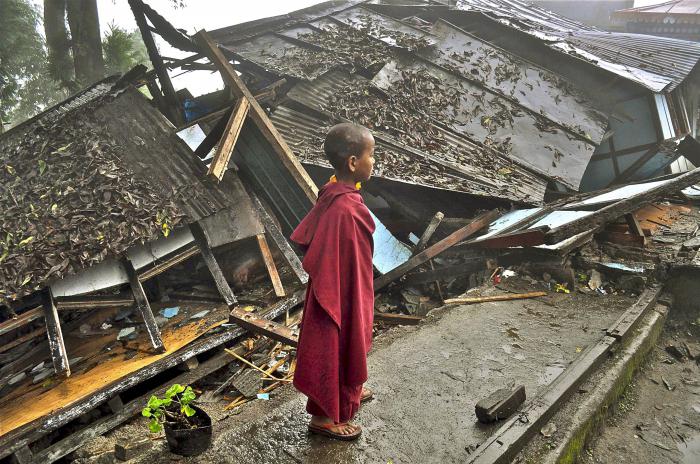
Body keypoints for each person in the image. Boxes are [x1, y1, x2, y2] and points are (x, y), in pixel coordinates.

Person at [290, 123, 376, 441]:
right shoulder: (344, 208)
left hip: (343, 285)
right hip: (337, 292)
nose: (373, 162)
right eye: (371, 155)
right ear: (353, 163)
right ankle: (325, 417)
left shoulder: (335, 195)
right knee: (336, 339)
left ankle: (349, 388)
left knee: (351, 337)